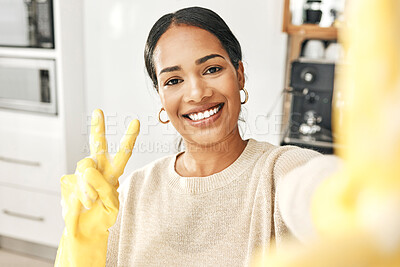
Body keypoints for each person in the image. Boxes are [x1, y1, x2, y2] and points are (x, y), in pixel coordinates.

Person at [55, 6, 340, 267]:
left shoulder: (281, 173)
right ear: (161, 98)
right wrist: (80, 246)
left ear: (239, 75)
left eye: (212, 69)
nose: (197, 93)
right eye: (173, 80)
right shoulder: (132, 192)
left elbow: (335, 198)